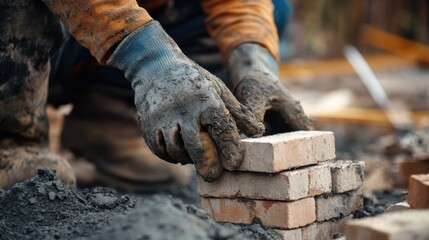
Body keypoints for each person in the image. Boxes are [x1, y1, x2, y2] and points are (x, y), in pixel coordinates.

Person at [0, 0, 311, 191]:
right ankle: (12, 142)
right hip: (35, 34)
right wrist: (151, 60)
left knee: (275, 6)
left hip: (87, 52)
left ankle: (110, 123)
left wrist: (254, 63)